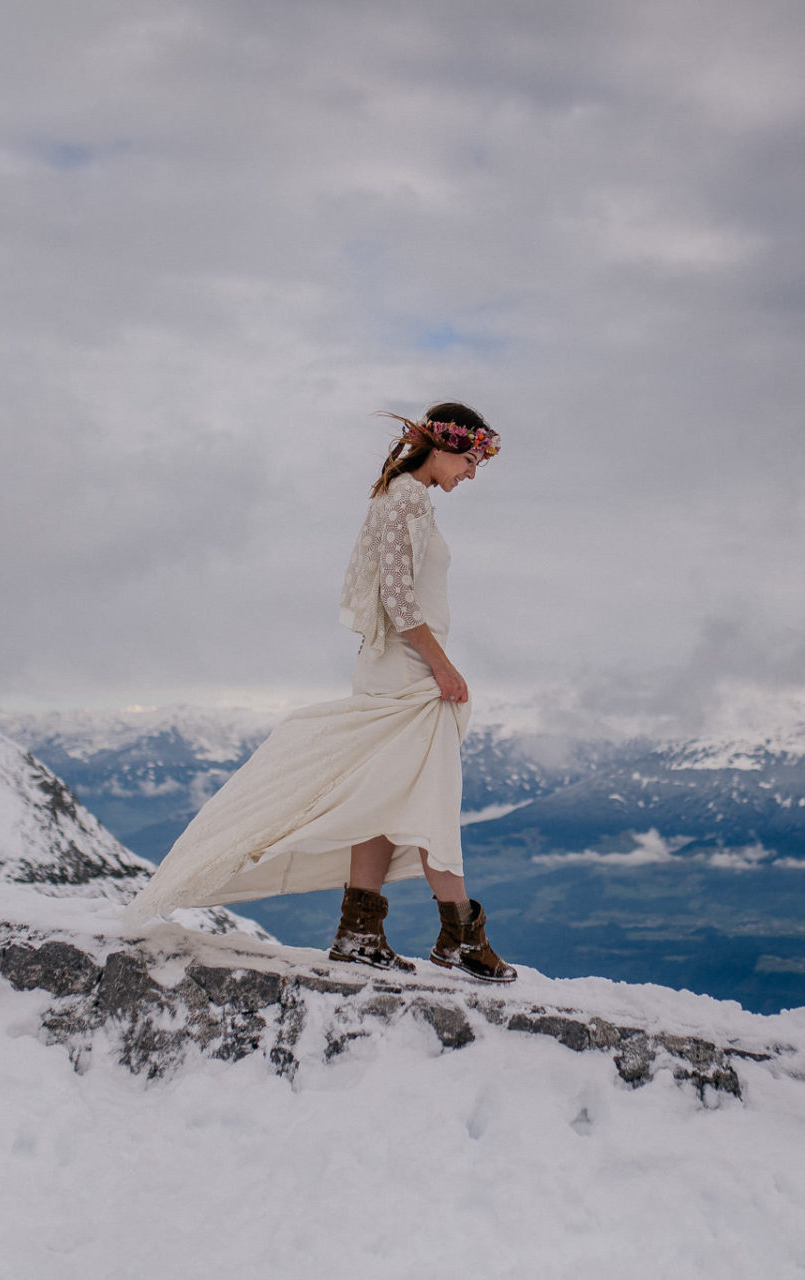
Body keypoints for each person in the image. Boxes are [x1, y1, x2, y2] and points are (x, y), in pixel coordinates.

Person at [121, 403, 515, 983]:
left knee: (380, 800)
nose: (473, 473)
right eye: (471, 459)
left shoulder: (401, 495)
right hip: (410, 674)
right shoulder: (408, 498)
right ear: (445, 447)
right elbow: (400, 601)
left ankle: (360, 932)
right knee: (432, 800)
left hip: (391, 667)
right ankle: (459, 938)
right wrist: (445, 670)